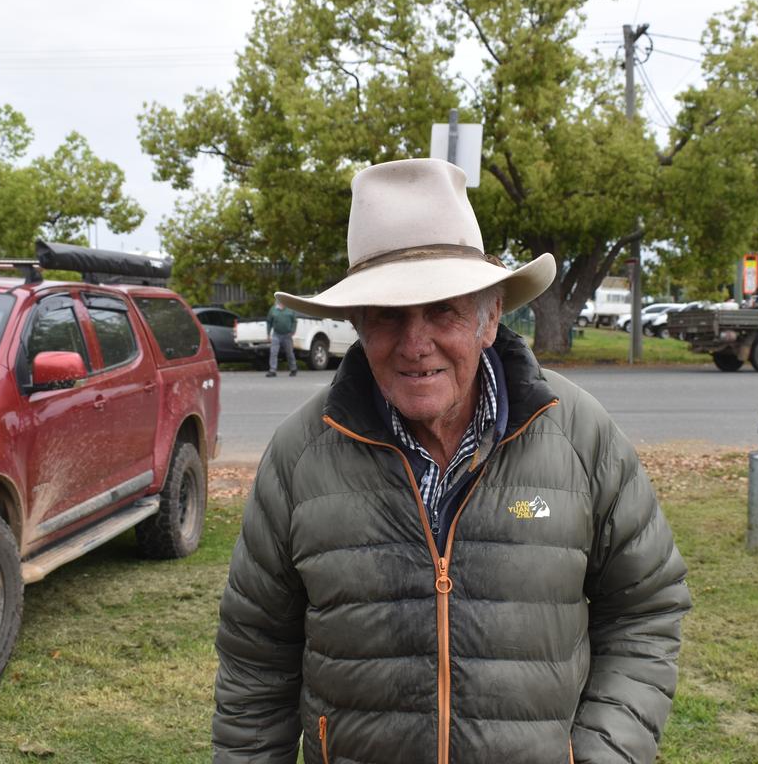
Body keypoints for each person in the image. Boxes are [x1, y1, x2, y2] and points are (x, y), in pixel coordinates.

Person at [212, 158, 691, 764]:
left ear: (490, 317)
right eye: (388, 314)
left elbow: (645, 609)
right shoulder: (300, 455)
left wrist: (602, 753)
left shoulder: (577, 435)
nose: (416, 344)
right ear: (358, 324)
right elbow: (256, 661)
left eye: (444, 310)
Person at [266, 297, 298, 377]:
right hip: (276, 334)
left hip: (287, 335)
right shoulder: (273, 309)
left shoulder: (290, 309)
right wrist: (268, 334)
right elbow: (269, 322)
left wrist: (293, 331)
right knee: (273, 352)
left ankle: (293, 368)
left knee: (289, 352)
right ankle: (272, 370)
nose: (280, 303)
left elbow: (294, 321)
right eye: (279, 301)